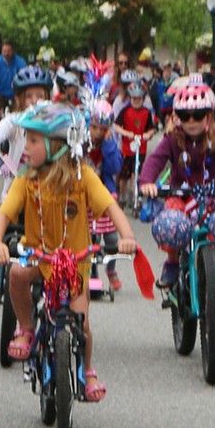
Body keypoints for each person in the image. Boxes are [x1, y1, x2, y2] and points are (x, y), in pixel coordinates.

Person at [0, 101, 138, 403]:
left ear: (58, 145)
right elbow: (5, 213)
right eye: (25, 139)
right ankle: (27, 328)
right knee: (16, 274)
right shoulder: (27, 178)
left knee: (81, 321)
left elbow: (111, 206)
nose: (25, 147)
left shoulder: (82, 176)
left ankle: (89, 367)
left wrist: (127, 236)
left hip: (75, 264)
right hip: (39, 258)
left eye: (32, 141)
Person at [140, 76, 215, 334]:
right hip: (180, 197)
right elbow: (155, 161)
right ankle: (172, 262)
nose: (192, 121)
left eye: (198, 115)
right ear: (177, 118)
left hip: (210, 199)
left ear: (209, 116)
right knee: (172, 220)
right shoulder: (172, 140)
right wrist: (147, 181)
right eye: (186, 116)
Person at [85, 99, 124, 292]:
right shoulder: (80, 141)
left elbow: (115, 167)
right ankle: (92, 272)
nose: (98, 132)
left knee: (110, 239)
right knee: (91, 239)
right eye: (94, 127)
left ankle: (111, 269)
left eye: (103, 128)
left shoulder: (110, 144)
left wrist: (108, 145)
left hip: (106, 194)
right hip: (85, 198)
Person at [0, 39, 28, 129]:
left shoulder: (20, 62)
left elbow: (25, 77)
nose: (6, 54)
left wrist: (23, 93)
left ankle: (15, 131)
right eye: (4, 51)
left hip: (15, 93)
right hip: (0, 93)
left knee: (17, 112)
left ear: (13, 51)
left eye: (9, 51)